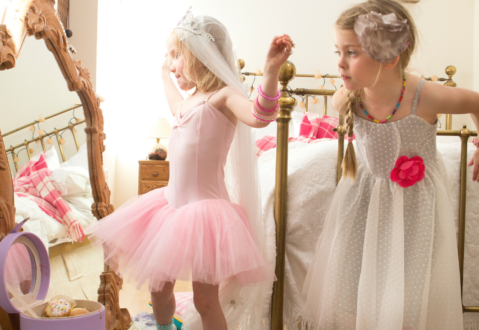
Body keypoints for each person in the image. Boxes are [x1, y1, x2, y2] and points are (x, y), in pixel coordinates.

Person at [87, 8, 294, 330]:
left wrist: (270, 72)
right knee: (158, 286)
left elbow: (260, 117)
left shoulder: (225, 96)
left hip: (204, 214)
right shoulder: (186, 102)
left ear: (201, 56)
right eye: (169, 56)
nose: (172, 63)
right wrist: (164, 73)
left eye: (177, 55)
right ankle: (166, 326)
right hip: (168, 208)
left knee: (204, 299)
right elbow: (172, 98)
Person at [301, 0, 479, 329]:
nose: (340, 63)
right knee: (354, 283)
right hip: (364, 200)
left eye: (352, 52)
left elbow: (476, 102)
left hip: (416, 207)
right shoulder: (346, 98)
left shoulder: (425, 96)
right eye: (337, 51)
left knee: (407, 290)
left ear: (390, 56)